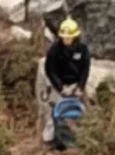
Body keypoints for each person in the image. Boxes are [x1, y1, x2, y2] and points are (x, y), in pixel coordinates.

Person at [42, 17, 91, 146]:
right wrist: (60, 87)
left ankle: (82, 137)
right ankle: (51, 137)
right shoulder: (54, 50)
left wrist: (80, 87)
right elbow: (50, 70)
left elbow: (85, 69)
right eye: (64, 37)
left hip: (76, 84)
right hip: (59, 84)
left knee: (83, 109)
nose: (66, 40)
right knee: (54, 110)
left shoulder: (82, 49)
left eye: (69, 38)